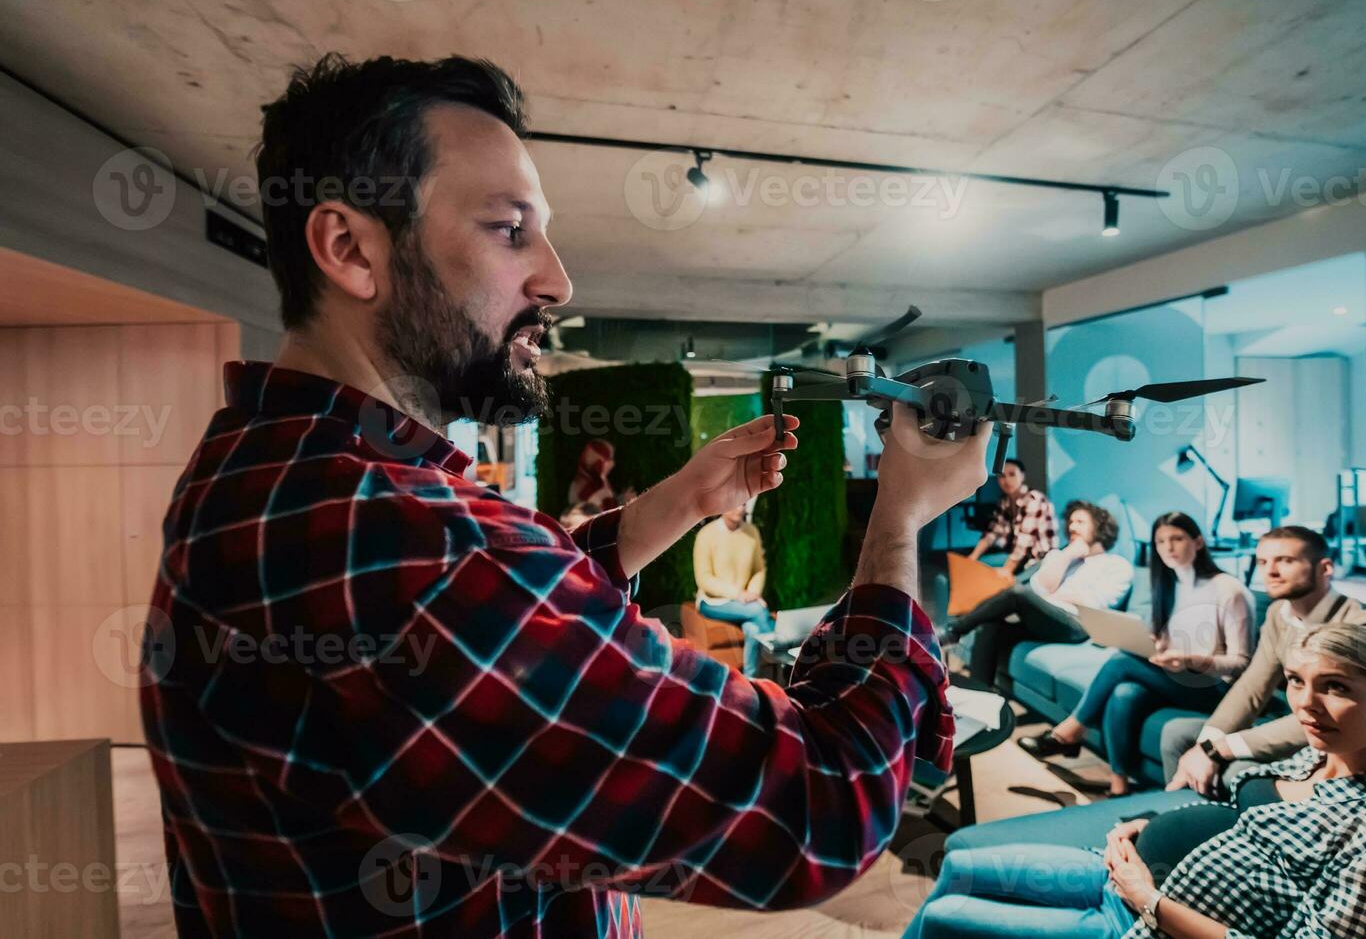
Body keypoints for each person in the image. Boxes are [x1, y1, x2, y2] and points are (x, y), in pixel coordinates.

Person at [139, 53, 995, 937]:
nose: (557, 280)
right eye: (510, 231)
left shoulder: (270, 464)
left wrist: (670, 506)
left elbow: (493, 637)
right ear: (351, 249)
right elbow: (823, 804)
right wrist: (899, 522)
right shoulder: (390, 537)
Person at [904, 622, 1366, 939]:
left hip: (1143, 922)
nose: (1305, 705)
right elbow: (1247, 820)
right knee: (958, 868)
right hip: (1123, 871)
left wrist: (1149, 900)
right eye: (1295, 682)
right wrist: (1150, 823)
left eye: (1336, 688)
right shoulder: (1321, 757)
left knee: (947, 919)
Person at [1164, 525, 1366, 795]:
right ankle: (1180, 822)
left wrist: (1217, 749)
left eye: (1286, 561)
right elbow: (1252, 688)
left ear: (1325, 568)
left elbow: (1339, 714)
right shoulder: (1279, 614)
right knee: (1178, 733)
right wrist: (1206, 746)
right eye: (1263, 562)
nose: (1270, 572)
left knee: (1238, 770)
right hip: (1313, 726)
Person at [1018, 512, 1255, 796]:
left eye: (1177, 539)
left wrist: (1188, 659)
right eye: (1161, 541)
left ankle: (1068, 732)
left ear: (1199, 542)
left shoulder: (1229, 590)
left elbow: (1242, 664)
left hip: (1216, 688)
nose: (1168, 547)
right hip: (1179, 676)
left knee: (1121, 661)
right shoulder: (1170, 584)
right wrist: (1157, 643)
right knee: (1125, 693)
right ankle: (1119, 787)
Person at [946, 500, 1133, 689]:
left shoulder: (1116, 565)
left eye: (1080, 522)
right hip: (1043, 620)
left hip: (1076, 626)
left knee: (1017, 592)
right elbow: (1039, 590)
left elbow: (1093, 604)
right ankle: (979, 698)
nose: (1072, 526)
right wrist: (1067, 555)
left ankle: (954, 631)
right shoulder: (1059, 556)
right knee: (989, 626)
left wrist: (1052, 596)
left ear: (1099, 527)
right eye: (1071, 522)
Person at [693, 504, 774, 676]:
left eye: (743, 503)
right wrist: (738, 594)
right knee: (759, 610)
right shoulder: (706, 534)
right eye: (734, 503)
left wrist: (752, 594)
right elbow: (704, 578)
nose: (739, 508)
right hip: (713, 602)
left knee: (753, 629)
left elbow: (759, 569)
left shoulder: (752, 533)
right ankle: (782, 650)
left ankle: (750, 680)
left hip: (744, 603)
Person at [964, 458, 1056, 580]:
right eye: (1001, 476)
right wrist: (972, 557)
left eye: (1012, 474)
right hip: (1018, 557)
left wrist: (1007, 569)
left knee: (994, 578)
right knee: (976, 567)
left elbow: (1024, 541)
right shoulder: (1005, 502)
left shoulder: (1034, 500)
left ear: (1022, 476)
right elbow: (992, 533)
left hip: (1038, 561)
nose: (1006, 480)